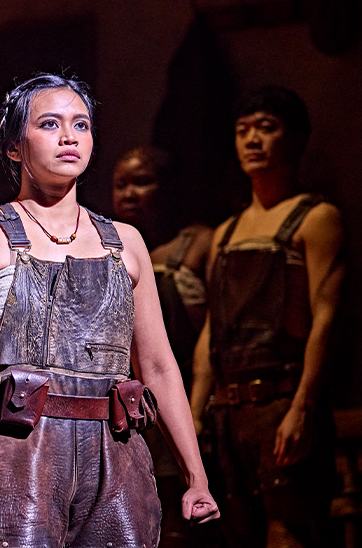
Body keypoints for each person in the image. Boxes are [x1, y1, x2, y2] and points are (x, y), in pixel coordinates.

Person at [0, 73, 219, 548]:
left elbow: (158, 366)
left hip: (115, 462)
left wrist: (197, 475)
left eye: (81, 125)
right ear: (12, 147)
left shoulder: (126, 244)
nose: (69, 137)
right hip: (9, 456)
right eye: (49, 123)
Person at [190, 86, 344, 548]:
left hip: (281, 402)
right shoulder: (224, 233)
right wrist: (195, 414)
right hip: (229, 413)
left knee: (289, 533)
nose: (252, 140)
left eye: (266, 128)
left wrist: (303, 407)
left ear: (295, 139)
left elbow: (326, 317)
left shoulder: (317, 218)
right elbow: (211, 330)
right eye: (243, 131)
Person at [113, 147, 217, 548]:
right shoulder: (109, 249)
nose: (130, 193)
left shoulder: (199, 244)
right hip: (132, 415)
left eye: (142, 182)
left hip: (188, 399)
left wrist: (196, 410)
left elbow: (214, 333)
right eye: (121, 184)